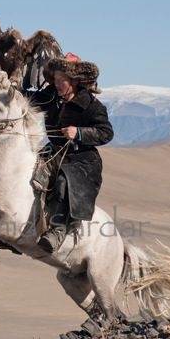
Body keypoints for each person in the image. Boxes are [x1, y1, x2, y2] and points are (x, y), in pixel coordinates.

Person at [29, 53, 114, 253]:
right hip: (54, 152)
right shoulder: (51, 98)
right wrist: (6, 86)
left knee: (62, 183)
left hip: (83, 160)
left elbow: (106, 132)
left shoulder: (92, 106)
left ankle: (58, 230)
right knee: (28, 173)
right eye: (55, 80)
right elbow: (27, 97)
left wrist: (80, 133)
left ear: (74, 81)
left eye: (62, 81)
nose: (57, 84)